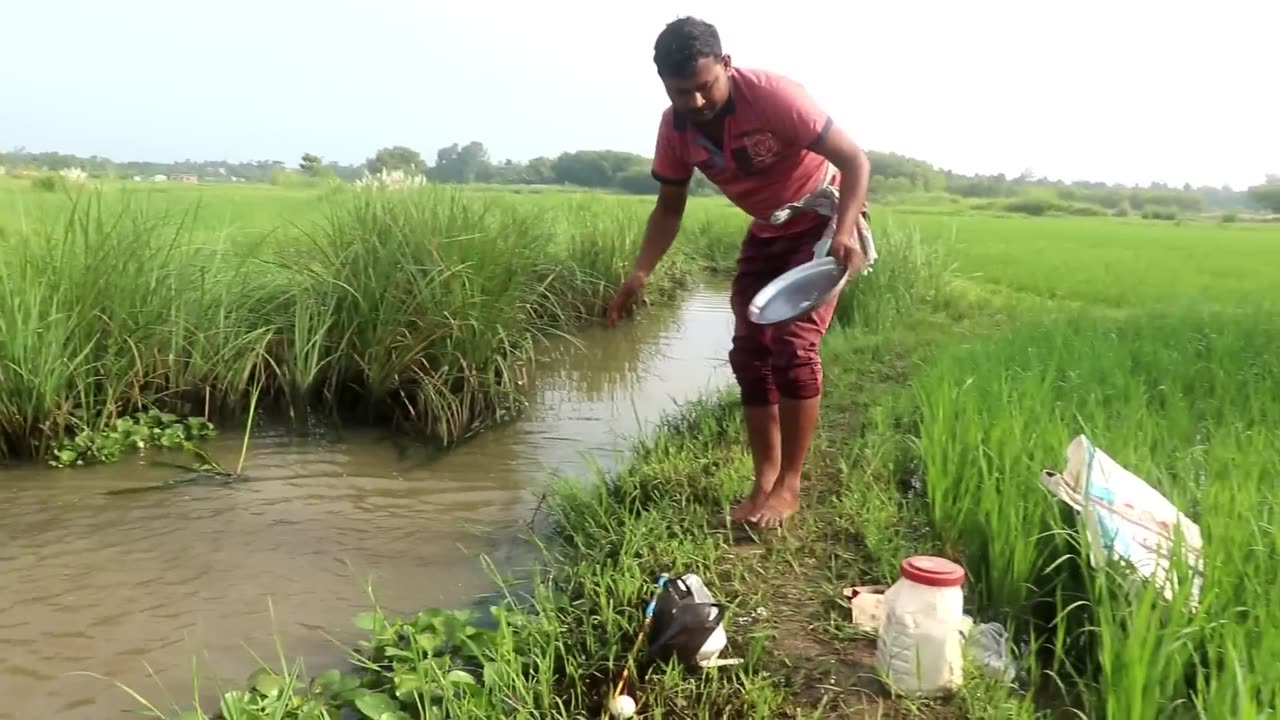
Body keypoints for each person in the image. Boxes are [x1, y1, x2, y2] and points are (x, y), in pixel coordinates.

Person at [605, 16, 873, 529]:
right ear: (664, 83)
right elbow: (668, 207)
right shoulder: (675, 128)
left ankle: (790, 485)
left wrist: (844, 230)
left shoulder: (774, 97)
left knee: (793, 345)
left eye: (705, 87)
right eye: (681, 92)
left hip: (822, 220)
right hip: (768, 231)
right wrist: (640, 272)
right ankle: (764, 479)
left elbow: (855, 160)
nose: (696, 102)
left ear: (726, 65)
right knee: (750, 351)